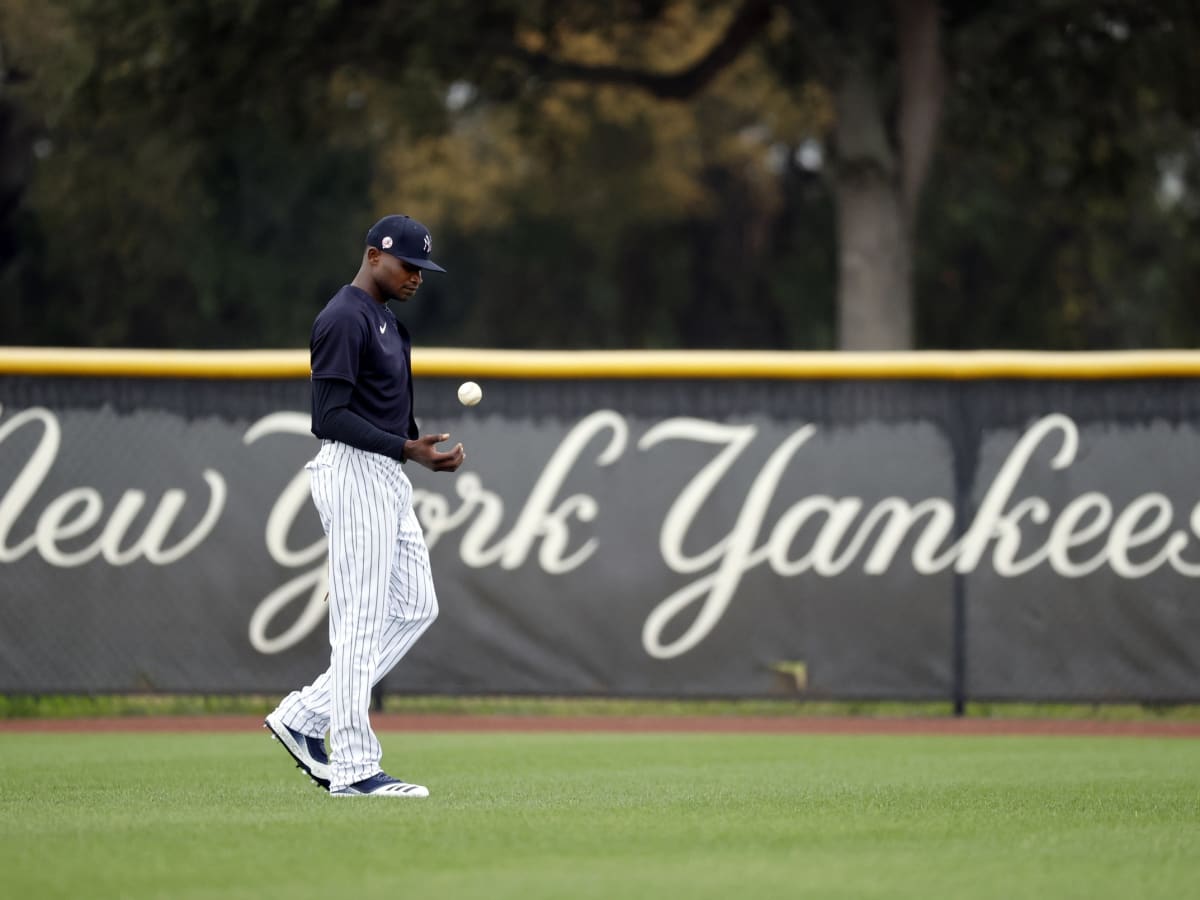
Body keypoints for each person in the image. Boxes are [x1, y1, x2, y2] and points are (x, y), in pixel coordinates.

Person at [264, 214, 464, 798]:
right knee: (357, 622)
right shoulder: (343, 317)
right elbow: (327, 418)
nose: (417, 277)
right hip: (353, 473)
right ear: (375, 255)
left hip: (386, 476)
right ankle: (353, 767)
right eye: (408, 265)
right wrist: (406, 448)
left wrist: (419, 450)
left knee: (416, 606)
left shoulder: (387, 323)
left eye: (423, 269)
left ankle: (303, 715)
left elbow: (385, 407)